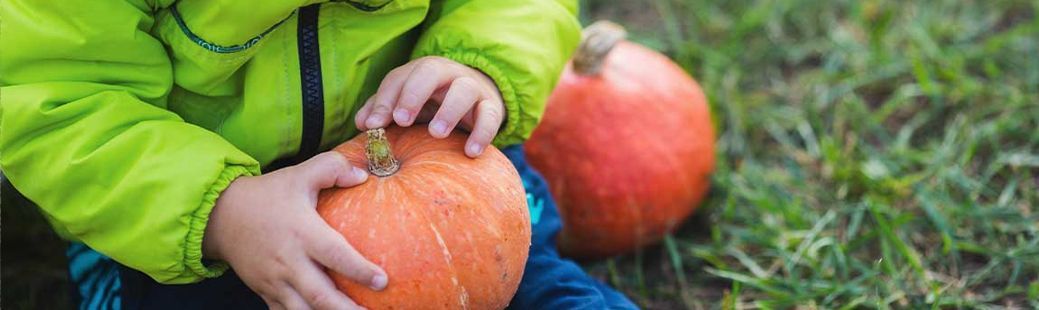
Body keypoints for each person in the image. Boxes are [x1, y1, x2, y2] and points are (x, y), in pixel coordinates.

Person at [0, 1, 638, 309]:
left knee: (519, 277)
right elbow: (55, 100)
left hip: (423, 152)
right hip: (185, 228)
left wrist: (478, 64)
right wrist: (217, 211)